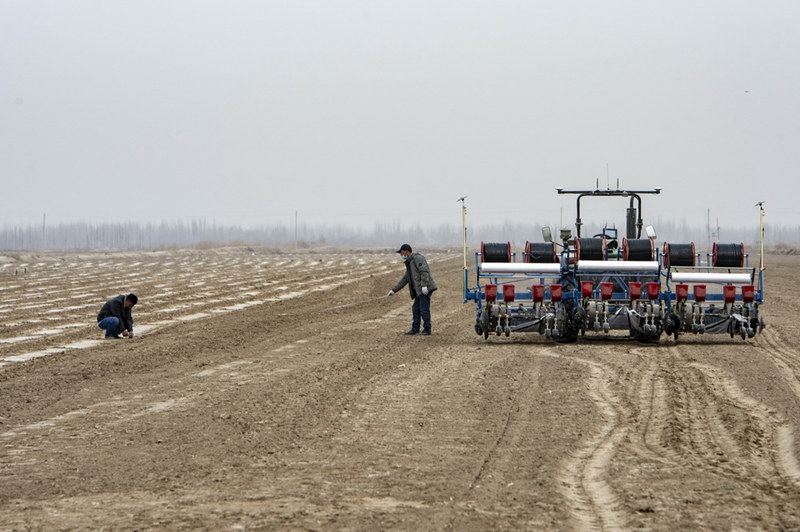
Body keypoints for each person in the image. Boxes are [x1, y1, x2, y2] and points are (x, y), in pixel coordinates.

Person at [388, 244, 438, 335]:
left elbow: (424, 272)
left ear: (406, 251)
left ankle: (427, 329)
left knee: (423, 308)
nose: (401, 255)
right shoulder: (409, 262)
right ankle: (415, 329)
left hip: (425, 288)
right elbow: (405, 279)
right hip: (420, 290)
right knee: (415, 308)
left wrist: (424, 285)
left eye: (401, 252)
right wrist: (393, 290)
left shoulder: (417, 258)